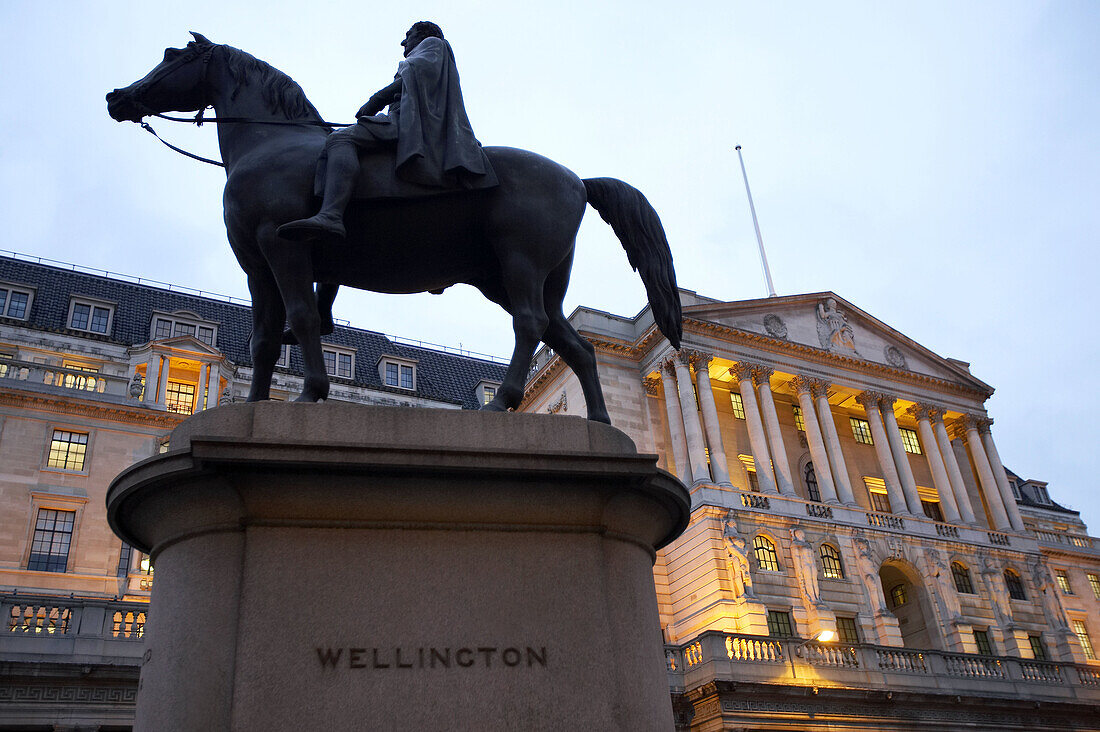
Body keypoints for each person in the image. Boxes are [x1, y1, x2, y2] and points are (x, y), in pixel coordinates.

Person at [278, 21, 493, 242]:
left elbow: (418, 75)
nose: (403, 41)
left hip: (408, 124)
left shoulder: (433, 44)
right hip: (406, 120)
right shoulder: (429, 52)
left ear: (423, 34)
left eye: (408, 35)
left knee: (339, 139)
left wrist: (375, 101)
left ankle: (331, 214)